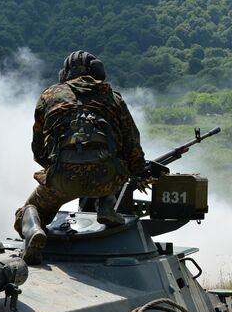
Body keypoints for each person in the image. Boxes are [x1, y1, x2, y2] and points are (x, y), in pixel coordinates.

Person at [14, 50, 146, 265]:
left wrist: (57, 169)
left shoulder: (49, 96)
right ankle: (106, 206)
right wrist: (137, 170)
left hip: (62, 180)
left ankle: (35, 231)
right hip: (106, 180)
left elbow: (38, 148)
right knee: (117, 163)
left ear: (66, 73)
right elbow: (132, 145)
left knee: (28, 212)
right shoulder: (113, 97)